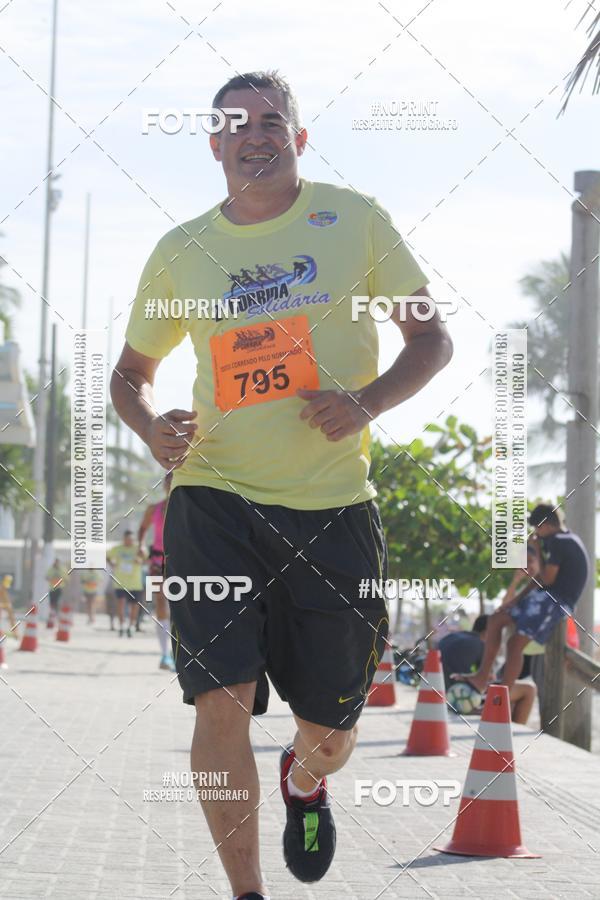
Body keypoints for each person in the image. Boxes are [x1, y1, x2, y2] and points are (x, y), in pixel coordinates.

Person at [111, 70, 452, 900]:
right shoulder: (181, 250)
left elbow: (432, 340)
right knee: (219, 702)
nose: (255, 135)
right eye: (237, 124)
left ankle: (305, 779)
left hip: (332, 509)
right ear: (215, 145)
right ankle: (247, 892)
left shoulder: (354, 219)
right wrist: (151, 426)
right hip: (213, 500)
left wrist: (365, 402)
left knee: (330, 734)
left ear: (298, 138)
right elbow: (128, 376)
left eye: (271, 122)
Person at [453, 504, 590, 697]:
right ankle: (482, 678)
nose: (536, 533)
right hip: (543, 597)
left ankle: (502, 696)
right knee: (496, 619)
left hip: (556, 602)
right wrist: (516, 600)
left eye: (537, 528)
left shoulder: (561, 542)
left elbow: (547, 579)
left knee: (514, 645)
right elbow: (540, 579)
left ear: (545, 525)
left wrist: (537, 549)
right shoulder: (558, 540)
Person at [138, 472, 175, 670]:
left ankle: (179, 654)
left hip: (182, 560)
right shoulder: (154, 508)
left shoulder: (188, 507)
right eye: (167, 480)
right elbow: (142, 529)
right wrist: (141, 545)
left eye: (173, 479)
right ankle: (165, 654)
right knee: (161, 603)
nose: (170, 483)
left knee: (181, 606)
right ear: (163, 485)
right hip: (157, 560)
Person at [107, 531, 146, 637]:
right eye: (127, 539)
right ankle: (121, 625)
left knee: (134, 606)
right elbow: (107, 556)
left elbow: (145, 559)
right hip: (120, 582)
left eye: (131, 540)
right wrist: (111, 563)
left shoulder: (138, 548)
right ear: (123, 539)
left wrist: (140, 560)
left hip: (135, 583)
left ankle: (131, 625)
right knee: (121, 603)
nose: (128, 541)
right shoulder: (117, 548)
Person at [439, 615, 488, 690]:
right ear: (486, 632)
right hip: (454, 688)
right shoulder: (480, 644)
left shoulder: (452, 636)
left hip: (433, 682)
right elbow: (484, 676)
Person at [45, 557, 68, 629]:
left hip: (59, 588)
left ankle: (57, 614)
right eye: (55, 562)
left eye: (57, 562)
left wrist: (62, 580)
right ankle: (52, 614)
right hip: (52, 588)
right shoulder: (51, 569)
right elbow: (46, 576)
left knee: (57, 602)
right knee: (52, 602)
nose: (56, 563)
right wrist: (50, 578)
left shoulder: (62, 569)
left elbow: (66, 578)